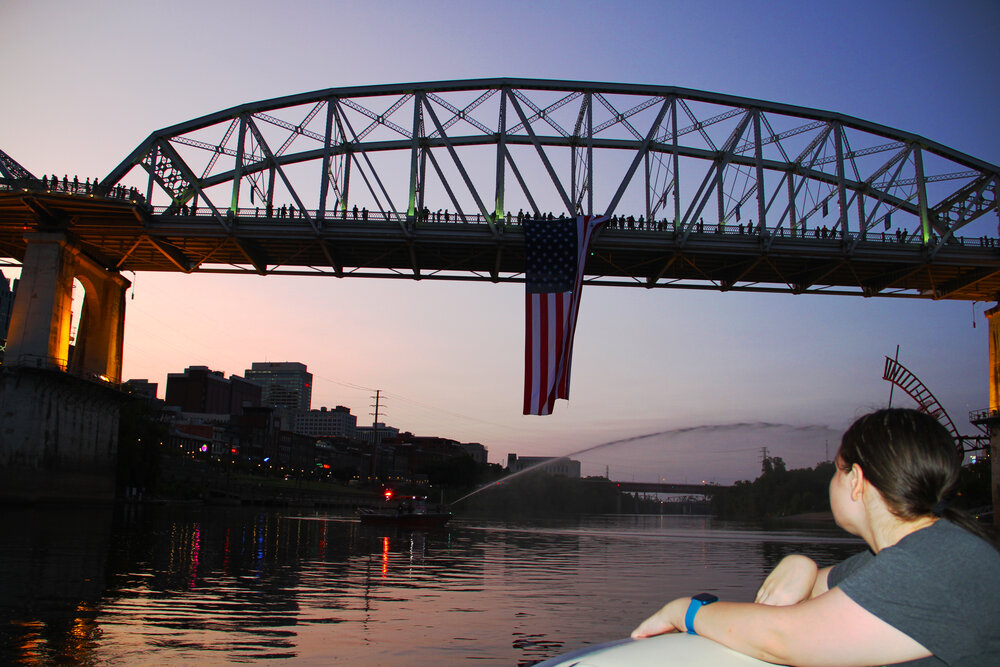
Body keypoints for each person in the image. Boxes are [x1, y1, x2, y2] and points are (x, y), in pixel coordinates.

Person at [631, 408, 1000, 666]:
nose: (833, 483)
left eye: (836, 471)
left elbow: (782, 640)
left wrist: (685, 611)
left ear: (855, 481)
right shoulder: (913, 555)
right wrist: (800, 563)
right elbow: (815, 597)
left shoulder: (936, 566)